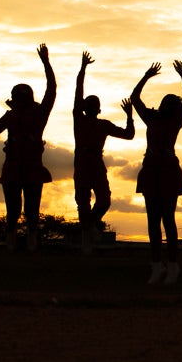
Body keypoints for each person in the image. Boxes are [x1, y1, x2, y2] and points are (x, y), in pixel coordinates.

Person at [0, 44, 57, 252]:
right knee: (13, 208)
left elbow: (52, 89)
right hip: (13, 165)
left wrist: (46, 62)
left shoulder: (40, 113)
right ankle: (11, 237)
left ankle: (31, 238)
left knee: (32, 208)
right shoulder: (10, 115)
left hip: (32, 166)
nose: (19, 99)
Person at [132, 60, 182, 285]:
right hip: (151, 170)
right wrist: (146, 76)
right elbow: (135, 99)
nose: (171, 105)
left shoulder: (176, 120)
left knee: (168, 218)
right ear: (162, 104)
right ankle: (156, 266)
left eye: (173, 103)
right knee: (152, 221)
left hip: (167, 170)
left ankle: (173, 266)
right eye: (168, 102)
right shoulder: (152, 118)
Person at [73, 51, 136, 255]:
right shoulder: (79, 119)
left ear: (98, 109)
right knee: (82, 202)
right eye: (88, 104)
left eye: (94, 105)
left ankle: (90, 226)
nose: (90, 107)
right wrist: (83, 68)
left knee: (104, 200)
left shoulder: (103, 124)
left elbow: (129, 135)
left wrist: (129, 116)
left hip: (95, 162)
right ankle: (86, 240)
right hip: (82, 161)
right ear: (84, 107)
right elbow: (78, 91)